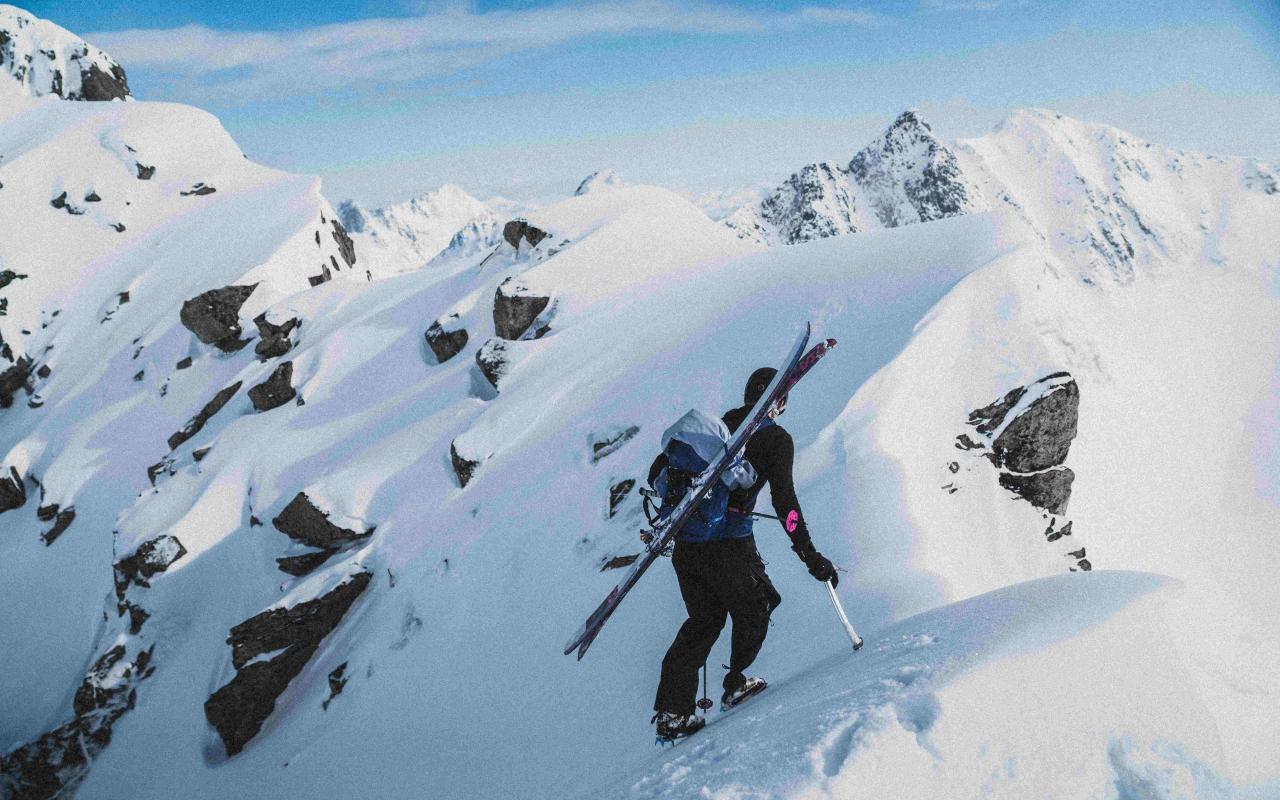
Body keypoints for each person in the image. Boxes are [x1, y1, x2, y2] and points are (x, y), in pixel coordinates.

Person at [649, 367, 838, 742]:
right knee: (758, 604)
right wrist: (809, 553)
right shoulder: (776, 439)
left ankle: (673, 714)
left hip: (688, 547)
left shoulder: (719, 428)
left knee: (703, 621)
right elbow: (786, 503)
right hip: (731, 546)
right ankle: (735, 682)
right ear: (778, 401)